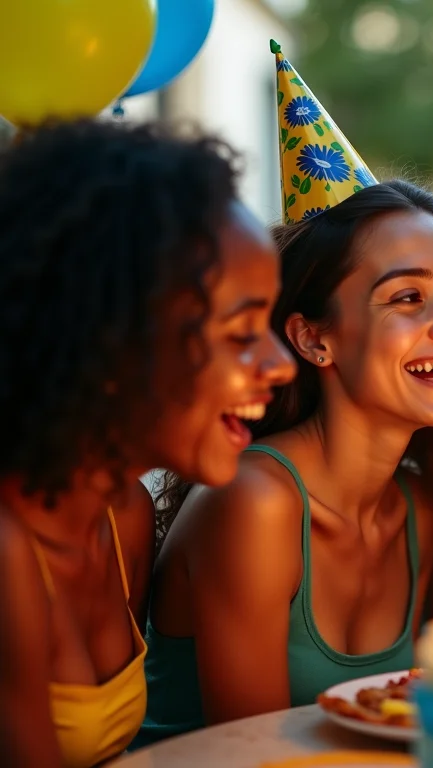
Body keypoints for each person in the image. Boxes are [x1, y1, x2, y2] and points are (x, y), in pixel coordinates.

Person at [135, 45, 433, 744]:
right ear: (312, 339)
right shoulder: (256, 502)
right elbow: (259, 753)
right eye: (407, 299)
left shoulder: (423, 512)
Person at [0, 119, 294, 766]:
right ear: (112, 339)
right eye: (243, 333)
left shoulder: (123, 514)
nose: (281, 363)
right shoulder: (9, 547)